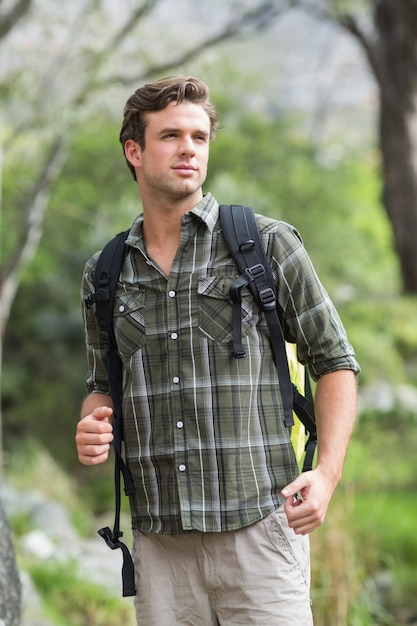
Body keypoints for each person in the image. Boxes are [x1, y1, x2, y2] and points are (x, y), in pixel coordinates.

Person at [76, 75, 360, 625]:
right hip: (161, 550)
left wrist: (327, 473)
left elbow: (335, 361)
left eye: (199, 137)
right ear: (134, 151)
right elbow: (101, 387)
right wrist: (91, 428)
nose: (188, 149)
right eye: (171, 136)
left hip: (261, 534)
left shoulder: (264, 244)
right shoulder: (105, 273)